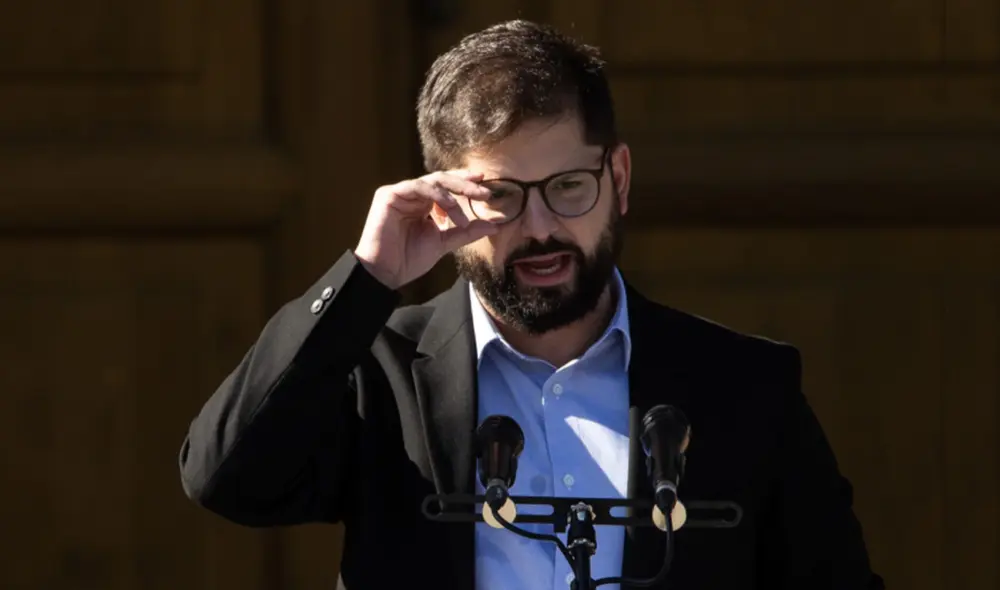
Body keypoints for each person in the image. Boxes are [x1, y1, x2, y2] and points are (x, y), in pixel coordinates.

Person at [179, 19, 884, 590]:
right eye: (501, 197)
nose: (541, 227)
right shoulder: (377, 369)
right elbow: (226, 478)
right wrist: (367, 277)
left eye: (569, 186)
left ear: (620, 178)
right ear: (444, 199)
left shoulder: (744, 387)